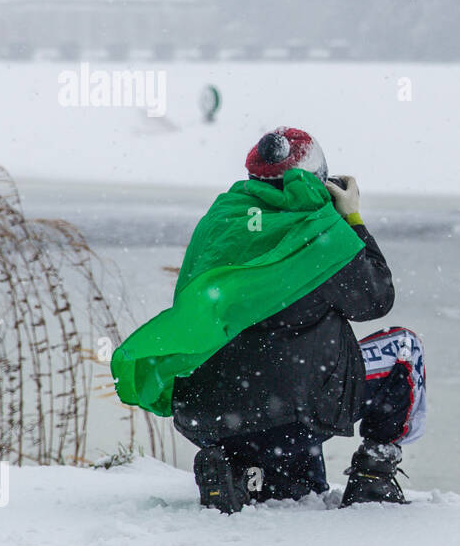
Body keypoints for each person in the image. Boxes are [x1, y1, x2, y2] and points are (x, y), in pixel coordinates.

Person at [110, 126, 426, 513]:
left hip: (213, 412)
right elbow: (376, 299)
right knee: (404, 350)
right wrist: (352, 218)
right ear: (317, 178)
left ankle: (233, 468)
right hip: (295, 410)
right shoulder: (321, 233)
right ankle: (373, 475)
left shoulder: (221, 222)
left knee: (297, 487)